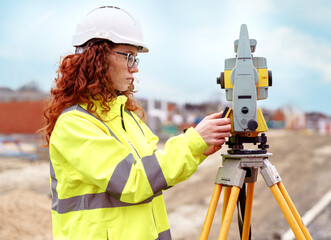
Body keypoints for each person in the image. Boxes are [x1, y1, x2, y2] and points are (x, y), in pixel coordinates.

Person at [41, 5, 231, 240]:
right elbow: (133, 181)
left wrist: (198, 148)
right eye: (129, 57)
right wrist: (193, 142)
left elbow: (155, 174)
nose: (135, 67)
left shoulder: (126, 117)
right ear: (97, 57)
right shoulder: (74, 124)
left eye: (136, 58)